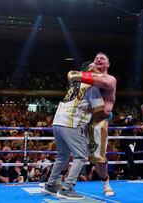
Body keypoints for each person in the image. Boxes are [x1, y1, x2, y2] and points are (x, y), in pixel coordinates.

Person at [42, 64, 105, 200]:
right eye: (96, 69)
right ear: (90, 69)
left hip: (58, 121)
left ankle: (50, 185)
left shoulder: (75, 84)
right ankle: (67, 188)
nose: (99, 72)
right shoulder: (91, 85)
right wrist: (110, 115)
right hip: (71, 123)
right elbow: (99, 111)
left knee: (62, 156)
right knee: (81, 156)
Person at [69, 52, 117, 196]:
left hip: (99, 120)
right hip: (82, 118)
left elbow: (104, 83)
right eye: (96, 58)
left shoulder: (111, 79)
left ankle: (106, 184)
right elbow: (75, 87)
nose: (98, 60)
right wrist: (88, 73)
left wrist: (90, 73)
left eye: (102, 58)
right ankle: (58, 181)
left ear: (108, 64)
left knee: (99, 156)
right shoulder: (89, 75)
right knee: (70, 152)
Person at [118, 115, 138, 180]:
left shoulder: (131, 124)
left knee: (130, 159)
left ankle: (134, 175)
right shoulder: (123, 126)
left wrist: (126, 119)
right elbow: (120, 122)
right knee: (123, 159)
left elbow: (132, 122)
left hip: (130, 144)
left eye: (128, 119)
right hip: (124, 144)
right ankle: (126, 175)